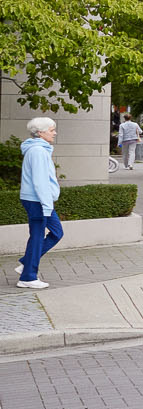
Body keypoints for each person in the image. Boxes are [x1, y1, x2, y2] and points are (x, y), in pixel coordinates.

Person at [16, 117, 61, 290]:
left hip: (37, 200)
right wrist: (47, 206)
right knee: (38, 236)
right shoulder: (38, 151)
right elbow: (40, 181)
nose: (54, 133)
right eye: (51, 130)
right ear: (40, 133)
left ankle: (27, 263)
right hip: (38, 201)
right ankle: (28, 277)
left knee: (56, 232)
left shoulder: (39, 149)